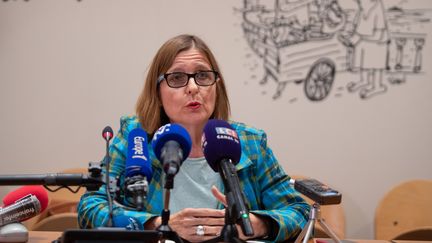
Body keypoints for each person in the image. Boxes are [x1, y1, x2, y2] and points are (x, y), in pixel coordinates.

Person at [77, 34, 309, 242]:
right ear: (157, 93)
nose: (192, 87)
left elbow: (297, 210)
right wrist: (158, 225)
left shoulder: (249, 142)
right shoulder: (135, 139)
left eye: (202, 76)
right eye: (177, 78)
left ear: (216, 86)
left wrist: (257, 224)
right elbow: (91, 208)